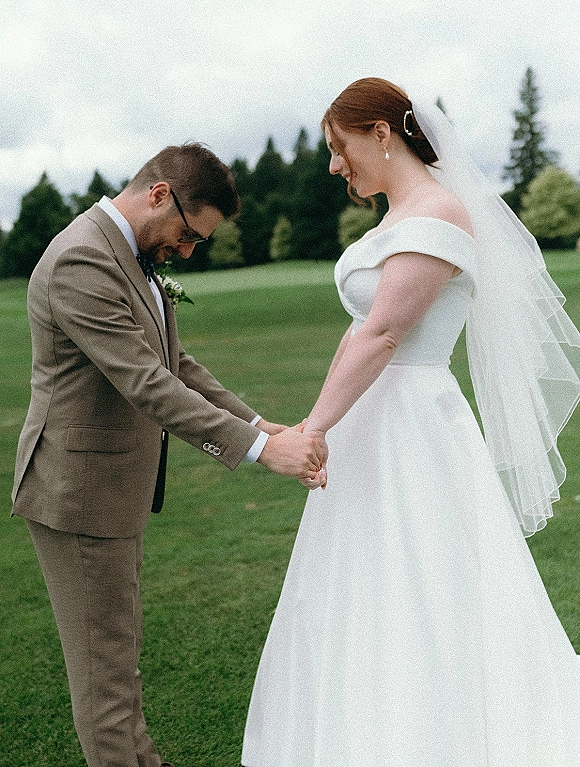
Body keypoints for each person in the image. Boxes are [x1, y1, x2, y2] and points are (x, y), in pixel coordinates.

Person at [242, 78, 580, 767]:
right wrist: (317, 424)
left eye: (340, 147)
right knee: (357, 585)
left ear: (382, 132)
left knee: (427, 579)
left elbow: (387, 333)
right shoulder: (396, 220)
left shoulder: (440, 213)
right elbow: (358, 333)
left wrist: (313, 431)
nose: (335, 165)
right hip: (370, 422)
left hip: (414, 426)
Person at [11, 142, 328, 767]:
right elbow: (147, 385)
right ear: (158, 194)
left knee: (118, 663)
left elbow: (175, 364)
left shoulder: (130, 253)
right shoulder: (83, 259)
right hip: (76, 496)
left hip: (110, 492)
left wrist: (258, 420)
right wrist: (262, 450)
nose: (186, 252)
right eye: (187, 235)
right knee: (107, 685)